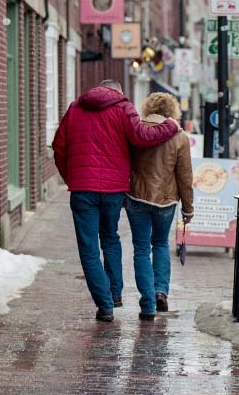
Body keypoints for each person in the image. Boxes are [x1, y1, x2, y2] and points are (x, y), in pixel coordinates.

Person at [52, 80, 180, 322]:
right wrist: (170, 126)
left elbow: (59, 147)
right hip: (113, 189)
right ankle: (115, 293)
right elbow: (142, 136)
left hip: (82, 189)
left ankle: (106, 304)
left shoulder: (74, 109)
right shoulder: (123, 107)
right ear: (118, 92)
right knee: (110, 237)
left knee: (88, 248)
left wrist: (71, 176)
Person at [125, 92, 194, 320]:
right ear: (172, 111)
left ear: (148, 108)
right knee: (161, 244)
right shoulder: (180, 138)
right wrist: (188, 208)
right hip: (166, 201)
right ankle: (160, 291)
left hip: (136, 197)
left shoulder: (136, 131)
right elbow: (184, 176)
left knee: (142, 249)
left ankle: (147, 304)